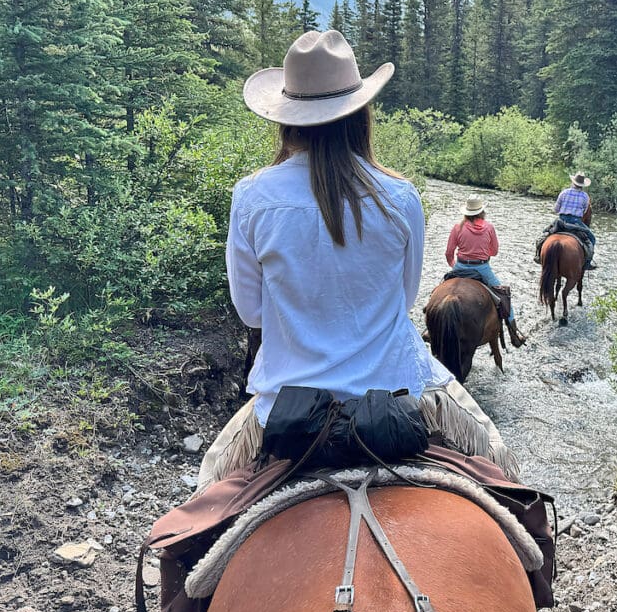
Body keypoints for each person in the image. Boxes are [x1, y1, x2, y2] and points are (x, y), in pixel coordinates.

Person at [197, 30, 519, 490]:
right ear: (360, 114)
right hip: (396, 393)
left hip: (288, 406)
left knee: (204, 497)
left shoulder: (252, 196)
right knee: (506, 476)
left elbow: (251, 313)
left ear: (287, 120)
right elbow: (406, 298)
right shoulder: (401, 197)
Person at [445, 195, 526, 348]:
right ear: (482, 211)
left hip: (460, 266)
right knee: (504, 296)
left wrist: (453, 265)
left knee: (438, 290)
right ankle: (514, 334)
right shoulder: (489, 227)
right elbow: (494, 251)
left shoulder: (458, 227)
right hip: (482, 268)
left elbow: (449, 252)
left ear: (466, 212)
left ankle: (429, 329)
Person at [535, 172, 597, 269]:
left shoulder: (564, 192)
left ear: (573, 182)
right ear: (582, 185)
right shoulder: (585, 196)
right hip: (576, 222)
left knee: (543, 234)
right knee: (592, 239)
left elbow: (556, 209)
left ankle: (538, 256)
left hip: (561, 220)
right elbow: (585, 211)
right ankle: (587, 264)